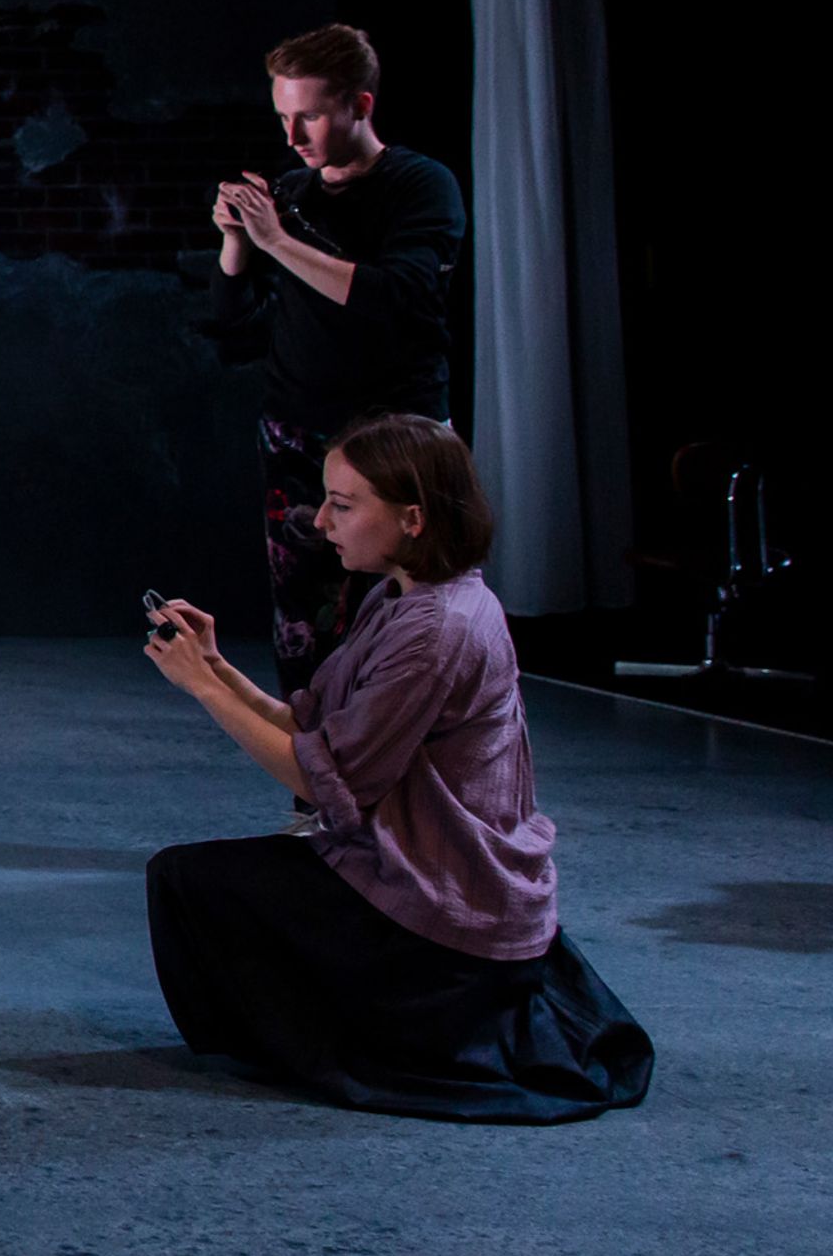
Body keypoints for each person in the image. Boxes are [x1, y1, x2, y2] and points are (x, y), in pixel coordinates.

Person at [139, 416, 651, 1123]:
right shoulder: (402, 595)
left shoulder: (435, 628)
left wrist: (199, 687)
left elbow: (319, 777)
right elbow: (316, 726)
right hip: (434, 870)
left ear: (413, 518)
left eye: (343, 506)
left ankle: (356, 1042)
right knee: (198, 878)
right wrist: (219, 668)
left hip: (445, 901)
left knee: (189, 883)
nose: (321, 522)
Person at [208, 23, 467, 711]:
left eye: (312, 115)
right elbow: (231, 325)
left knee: (408, 613)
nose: (293, 136)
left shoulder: (421, 185)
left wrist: (276, 239)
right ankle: (314, 800)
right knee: (303, 626)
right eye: (282, 116)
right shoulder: (292, 193)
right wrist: (238, 245)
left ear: (361, 105)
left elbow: (395, 294)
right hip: (296, 435)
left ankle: (406, 800)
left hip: (397, 435)